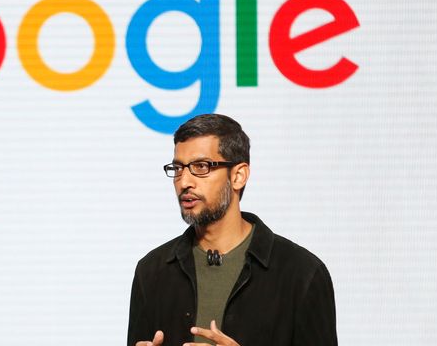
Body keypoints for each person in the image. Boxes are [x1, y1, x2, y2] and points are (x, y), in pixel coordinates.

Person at [127, 114, 336, 346]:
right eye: (178, 168)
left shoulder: (301, 273)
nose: (184, 181)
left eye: (201, 166)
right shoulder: (152, 272)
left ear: (238, 176)